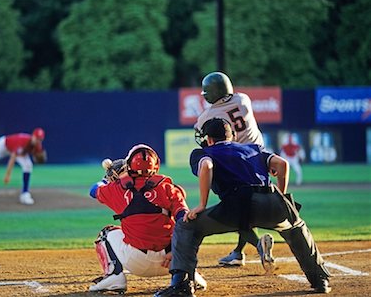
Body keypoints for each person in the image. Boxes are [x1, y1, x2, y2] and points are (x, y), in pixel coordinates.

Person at [154, 118, 331, 296]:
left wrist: (202, 205)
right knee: (296, 227)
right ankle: (320, 279)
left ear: (208, 139)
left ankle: (181, 285)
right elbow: (282, 164)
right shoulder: (253, 148)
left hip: (238, 205)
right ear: (232, 136)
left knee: (187, 227)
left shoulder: (203, 152)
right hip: (272, 199)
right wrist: (281, 197)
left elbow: (206, 166)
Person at [88, 144, 206, 293]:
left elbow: (93, 190)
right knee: (186, 229)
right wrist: (178, 251)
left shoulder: (118, 188)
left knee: (106, 233)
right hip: (172, 261)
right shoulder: (168, 188)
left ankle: (114, 277)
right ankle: (189, 275)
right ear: (156, 165)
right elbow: (185, 221)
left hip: (136, 262)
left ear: (130, 164)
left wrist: (106, 180)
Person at [194, 71, 265, 267]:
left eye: (207, 92)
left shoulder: (208, 116)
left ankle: (258, 246)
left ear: (214, 92)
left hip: (234, 165)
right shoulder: (244, 99)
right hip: (259, 159)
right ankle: (238, 252)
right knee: (246, 209)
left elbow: (203, 135)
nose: (205, 95)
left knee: (235, 210)